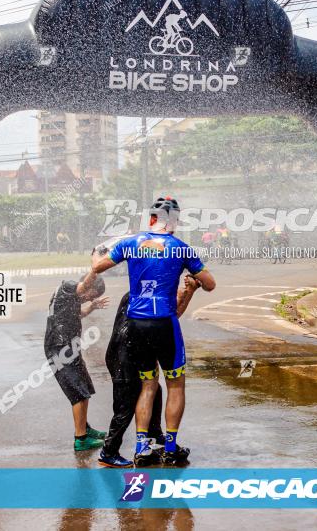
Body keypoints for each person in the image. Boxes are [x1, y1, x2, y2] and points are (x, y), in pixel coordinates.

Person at [88, 197, 216, 466]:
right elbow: (210, 284)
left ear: (152, 219)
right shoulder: (181, 248)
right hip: (163, 322)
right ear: (173, 220)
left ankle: (142, 448)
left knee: (147, 383)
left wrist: (104, 246)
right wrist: (194, 280)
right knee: (175, 384)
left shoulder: (131, 243)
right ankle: (170, 448)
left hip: (136, 323)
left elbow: (97, 267)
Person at [98, 271, 201, 468]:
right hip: (124, 356)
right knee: (126, 406)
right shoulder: (147, 295)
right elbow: (173, 315)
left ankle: (154, 434)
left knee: (155, 391)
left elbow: (172, 313)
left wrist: (188, 292)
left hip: (125, 352)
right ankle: (108, 452)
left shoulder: (141, 291)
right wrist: (190, 291)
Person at [43, 271, 111, 451]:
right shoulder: (68, 287)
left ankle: (85, 428)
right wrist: (96, 268)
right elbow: (84, 286)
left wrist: (92, 307)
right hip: (60, 349)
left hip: (70, 347)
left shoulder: (70, 297)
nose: (89, 298)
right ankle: (80, 439)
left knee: (84, 388)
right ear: (87, 286)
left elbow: (76, 314)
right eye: (91, 295)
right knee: (78, 393)